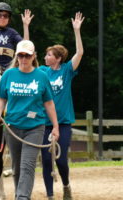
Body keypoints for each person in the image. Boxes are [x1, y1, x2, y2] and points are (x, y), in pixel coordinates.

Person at [0, 40, 59, 200]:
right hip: (12, 127)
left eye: (27, 55)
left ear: (33, 56)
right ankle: (19, 195)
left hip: (35, 127)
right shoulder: (9, 75)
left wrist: (55, 127)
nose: (24, 58)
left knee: (27, 165)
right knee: (17, 168)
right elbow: (1, 97)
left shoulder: (41, 76)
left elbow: (49, 103)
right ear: (17, 56)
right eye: (21, 55)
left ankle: (22, 197)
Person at [39, 12, 85, 200]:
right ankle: (50, 196)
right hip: (44, 123)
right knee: (46, 161)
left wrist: (77, 31)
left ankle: (66, 185)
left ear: (57, 58)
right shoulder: (42, 72)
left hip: (64, 123)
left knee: (61, 159)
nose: (45, 57)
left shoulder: (66, 70)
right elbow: (25, 54)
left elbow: (80, 53)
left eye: (48, 55)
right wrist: (25, 28)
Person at [0, 2, 34, 70]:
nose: (2, 17)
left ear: (8, 19)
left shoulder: (12, 32)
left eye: (5, 16)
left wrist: (26, 25)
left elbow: (26, 45)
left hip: (9, 67)